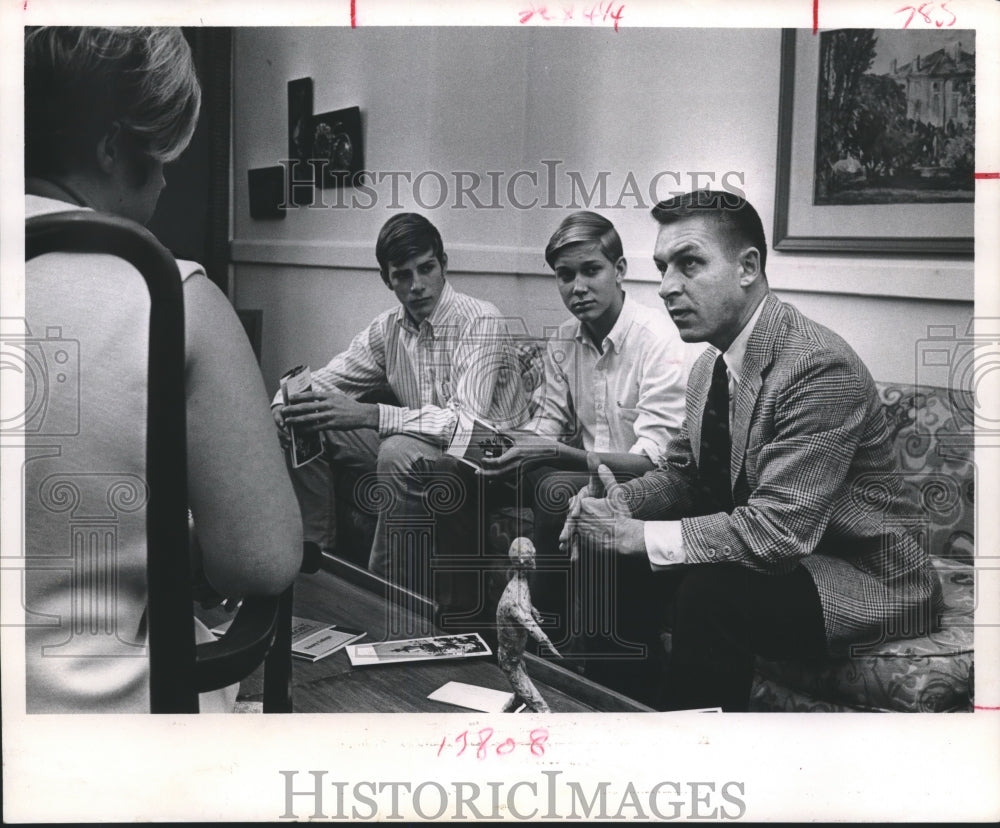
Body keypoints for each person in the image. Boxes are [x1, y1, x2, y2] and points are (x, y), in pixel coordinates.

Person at [561, 190, 941, 711]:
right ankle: (620, 718)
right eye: (662, 267)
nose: (668, 286)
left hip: (861, 573)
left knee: (712, 592)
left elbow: (779, 531)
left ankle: (698, 765)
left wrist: (640, 535)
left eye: (689, 263)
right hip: (790, 556)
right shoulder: (708, 367)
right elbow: (684, 475)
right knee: (611, 554)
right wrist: (620, 509)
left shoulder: (816, 366)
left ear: (748, 266)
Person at [23, 26, 303, 713]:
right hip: (102, 729)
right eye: (159, 160)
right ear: (113, 148)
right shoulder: (172, 294)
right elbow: (261, 559)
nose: (165, 182)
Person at [273, 212, 528, 603]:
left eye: (426, 269)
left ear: (444, 265)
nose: (418, 286)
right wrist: (284, 404)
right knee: (307, 419)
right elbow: (324, 380)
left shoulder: (480, 320)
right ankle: (315, 564)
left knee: (397, 450)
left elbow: (465, 425)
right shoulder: (387, 328)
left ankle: (389, 599)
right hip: (425, 445)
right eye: (402, 275)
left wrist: (373, 415)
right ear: (386, 279)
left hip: (491, 455)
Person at [479, 211, 687, 654]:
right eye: (565, 275)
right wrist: (507, 445)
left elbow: (654, 461)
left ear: (620, 271)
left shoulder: (660, 340)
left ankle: (548, 637)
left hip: (647, 482)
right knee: (477, 471)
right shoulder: (563, 340)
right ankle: (466, 628)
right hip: (585, 472)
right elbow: (546, 424)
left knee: (555, 486)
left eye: (591, 270)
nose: (578, 287)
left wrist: (547, 448)